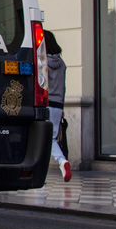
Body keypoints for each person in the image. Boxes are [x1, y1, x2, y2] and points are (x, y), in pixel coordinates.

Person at [45, 30, 70, 182]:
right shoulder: (62, 64)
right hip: (58, 104)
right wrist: (62, 106)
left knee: (47, 138)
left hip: (45, 103)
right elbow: (64, 87)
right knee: (50, 137)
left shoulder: (43, 62)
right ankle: (46, 170)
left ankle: (61, 161)